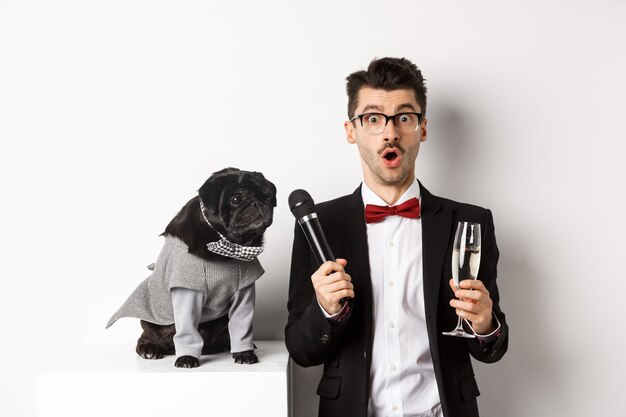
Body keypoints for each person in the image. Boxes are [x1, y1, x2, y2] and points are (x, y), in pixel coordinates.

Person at [285, 57, 508, 417]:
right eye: (373, 119)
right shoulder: (317, 224)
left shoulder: (470, 222)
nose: (390, 133)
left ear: (422, 128)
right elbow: (301, 349)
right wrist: (325, 310)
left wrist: (486, 325)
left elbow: (493, 349)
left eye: (404, 117)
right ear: (351, 130)